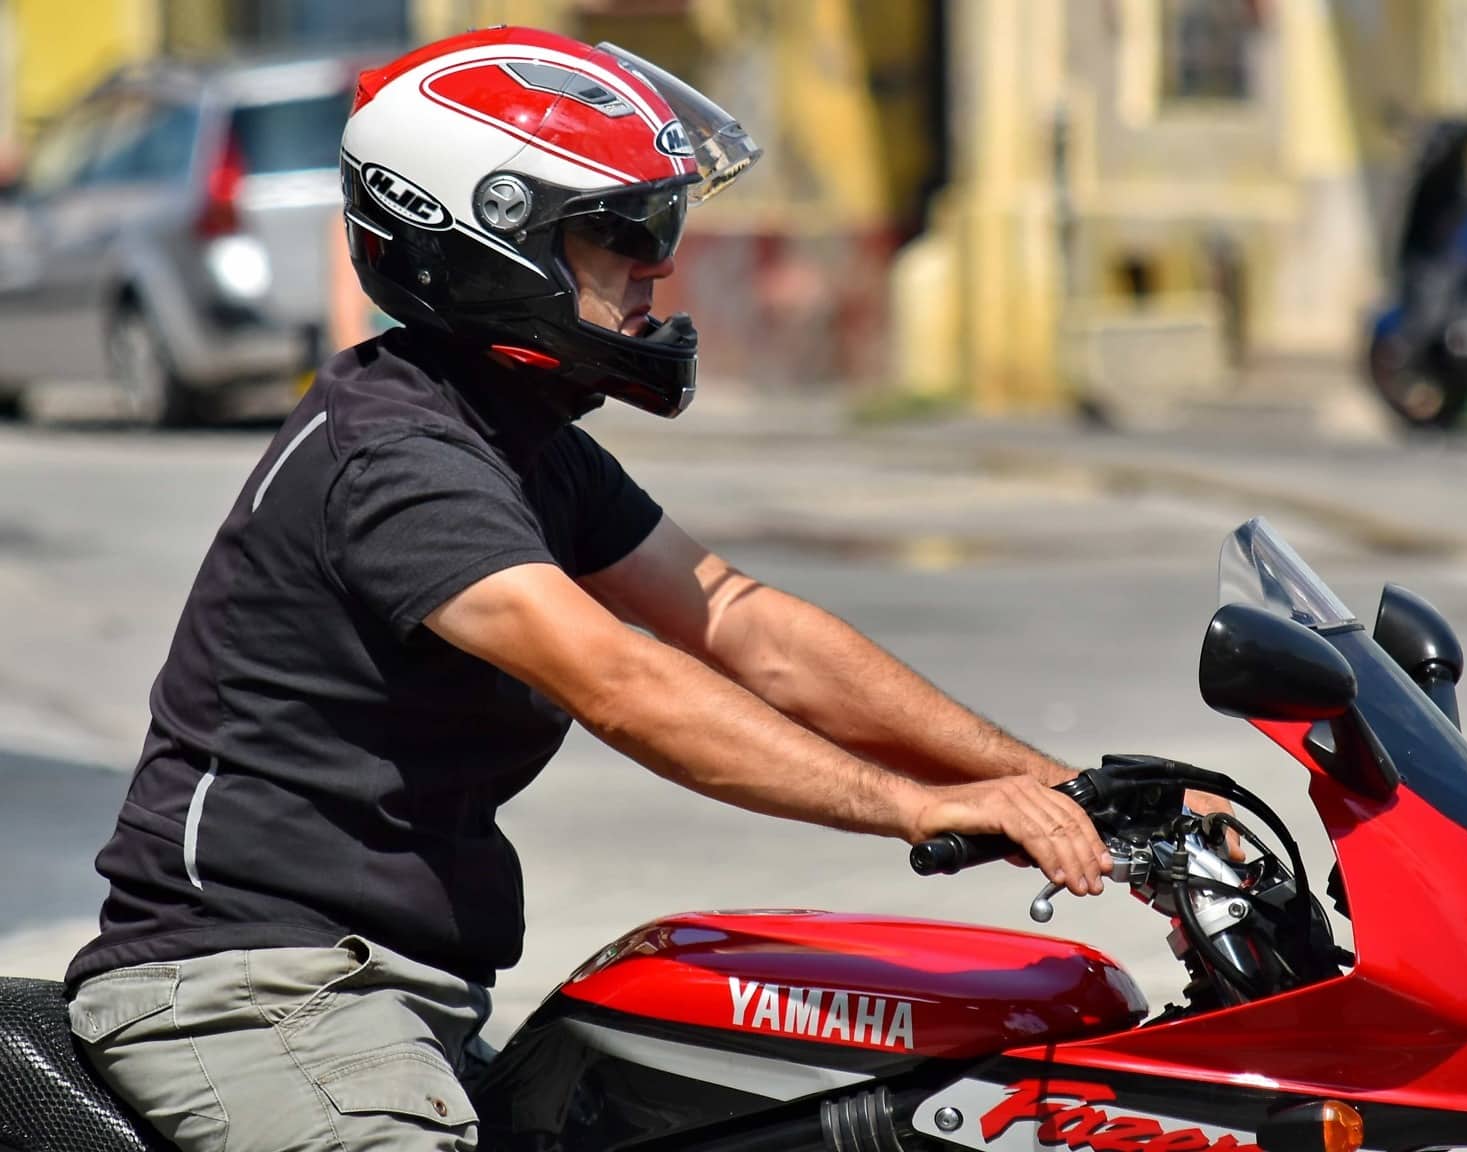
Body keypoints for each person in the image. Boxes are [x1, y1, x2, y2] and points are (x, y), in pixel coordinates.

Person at [63, 27, 1157, 1152]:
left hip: (390, 995)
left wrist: (1068, 787)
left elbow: (738, 618)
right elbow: (623, 681)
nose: (658, 264)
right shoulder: (396, 457)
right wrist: (920, 808)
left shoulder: (518, 438)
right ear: (491, 236)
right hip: (256, 992)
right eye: (623, 226)